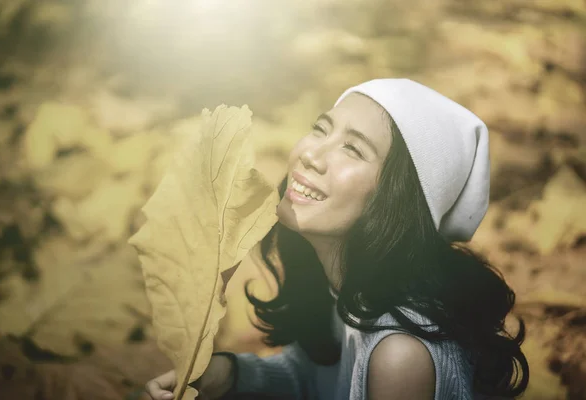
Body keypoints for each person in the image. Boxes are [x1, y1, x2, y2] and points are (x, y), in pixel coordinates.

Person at [144, 78, 529, 400]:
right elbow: (315, 378)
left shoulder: (401, 356)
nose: (312, 154)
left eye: (352, 149)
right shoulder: (348, 289)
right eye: (321, 129)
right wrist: (227, 374)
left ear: (396, 201)